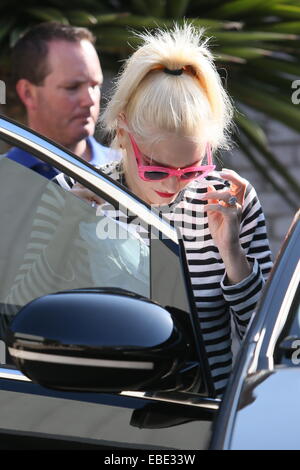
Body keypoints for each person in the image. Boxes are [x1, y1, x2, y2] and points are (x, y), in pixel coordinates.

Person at [3, 24, 273, 396]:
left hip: (203, 411)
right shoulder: (73, 192)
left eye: (194, 168)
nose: (175, 185)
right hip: (102, 412)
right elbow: (24, 315)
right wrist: (67, 229)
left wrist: (234, 257)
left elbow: (265, 339)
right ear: (124, 131)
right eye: (157, 169)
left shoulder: (227, 200)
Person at [6, 21, 119, 178]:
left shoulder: (129, 175)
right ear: (28, 93)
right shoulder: (5, 179)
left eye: (95, 86)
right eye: (72, 87)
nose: (89, 100)